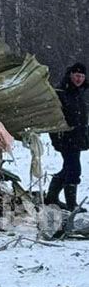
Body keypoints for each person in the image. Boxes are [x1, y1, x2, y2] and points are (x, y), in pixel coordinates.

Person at [46, 62, 88, 211]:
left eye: (82, 76)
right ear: (70, 75)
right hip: (65, 137)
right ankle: (72, 204)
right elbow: (53, 117)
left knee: (68, 168)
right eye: (77, 75)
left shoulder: (80, 92)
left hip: (77, 137)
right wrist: (56, 138)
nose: (79, 79)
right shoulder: (60, 92)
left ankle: (51, 198)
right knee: (74, 169)